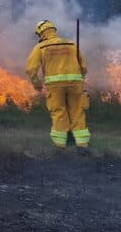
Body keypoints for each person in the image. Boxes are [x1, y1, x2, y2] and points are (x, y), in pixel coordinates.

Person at [25, 20, 90, 151]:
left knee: (59, 113)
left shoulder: (41, 47)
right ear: (54, 30)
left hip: (55, 87)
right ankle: (82, 146)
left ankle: (60, 147)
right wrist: (80, 79)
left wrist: (37, 85)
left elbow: (30, 69)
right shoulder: (71, 44)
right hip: (75, 84)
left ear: (41, 33)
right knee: (77, 112)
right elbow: (83, 66)